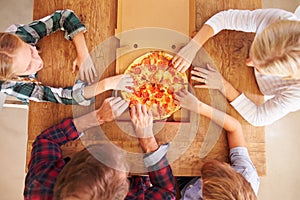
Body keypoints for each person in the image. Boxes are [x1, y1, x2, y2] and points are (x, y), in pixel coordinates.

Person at [24, 100, 176, 199]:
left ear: (69, 169)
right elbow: (167, 193)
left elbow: (46, 140)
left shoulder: (40, 184)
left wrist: (98, 117)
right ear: (124, 191)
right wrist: (147, 140)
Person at [172, 8, 300, 126]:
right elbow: (225, 18)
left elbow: (258, 117)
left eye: (259, 66)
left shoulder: (297, 94)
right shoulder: (280, 20)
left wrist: (224, 85)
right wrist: (193, 46)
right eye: (254, 53)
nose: (248, 63)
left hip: (255, 89)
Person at [0, 9, 133, 105]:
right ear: (15, 76)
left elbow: (64, 16)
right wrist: (106, 84)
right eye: (28, 66)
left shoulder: (18, 36)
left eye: (31, 50)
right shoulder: (12, 85)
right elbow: (65, 97)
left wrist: (83, 53)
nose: (38, 61)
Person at [174, 89, 260, 199]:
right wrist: (199, 106)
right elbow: (235, 128)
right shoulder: (246, 176)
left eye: (204, 186)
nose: (202, 183)